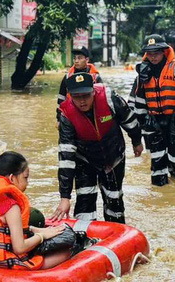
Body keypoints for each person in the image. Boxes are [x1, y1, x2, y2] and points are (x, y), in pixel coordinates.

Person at [53, 73, 142, 223]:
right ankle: (83, 236)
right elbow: (66, 158)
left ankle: (116, 232)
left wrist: (137, 141)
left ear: (93, 91)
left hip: (113, 155)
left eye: (86, 95)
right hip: (85, 158)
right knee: (84, 199)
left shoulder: (109, 98)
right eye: (77, 97)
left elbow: (129, 120)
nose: (82, 101)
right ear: (70, 96)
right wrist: (65, 197)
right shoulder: (66, 115)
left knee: (114, 199)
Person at [0, 152, 72, 270]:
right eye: (25, 178)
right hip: (3, 262)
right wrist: (42, 236)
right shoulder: (11, 206)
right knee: (66, 252)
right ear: (11, 178)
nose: (27, 183)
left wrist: (33, 229)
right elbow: (19, 248)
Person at [127, 34, 175, 186]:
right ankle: (160, 194)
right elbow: (138, 104)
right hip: (154, 123)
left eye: (157, 53)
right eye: (150, 54)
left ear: (164, 52)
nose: (153, 57)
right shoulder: (142, 75)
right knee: (157, 163)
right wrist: (144, 128)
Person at [56, 47, 102, 123]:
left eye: (80, 58)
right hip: (72, 114)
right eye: (75, 58)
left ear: (87, 60)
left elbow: (101, 99)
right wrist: (59, 119)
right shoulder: (67, 77)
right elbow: (61, 98)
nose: (76, 61)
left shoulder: (95, 78)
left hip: (91, 116)